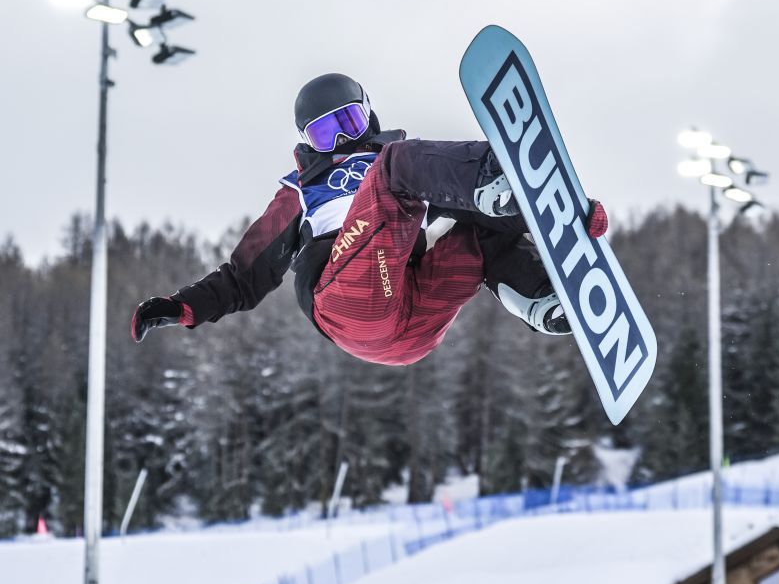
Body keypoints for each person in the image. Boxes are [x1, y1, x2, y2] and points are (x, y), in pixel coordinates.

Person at [131, 73, 608, 365]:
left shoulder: (403, 174)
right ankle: (492, 169)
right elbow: (244, 275)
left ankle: (541, 298)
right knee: (396, 165)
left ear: (369, 116)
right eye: (324, 133)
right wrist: (180, 307)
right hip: (351, 301)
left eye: (350, 123)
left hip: (413, 321)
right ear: (306, 142)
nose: (341, 142)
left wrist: (564, 217)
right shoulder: (301, 189)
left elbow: (485, 210)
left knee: (476, 226)